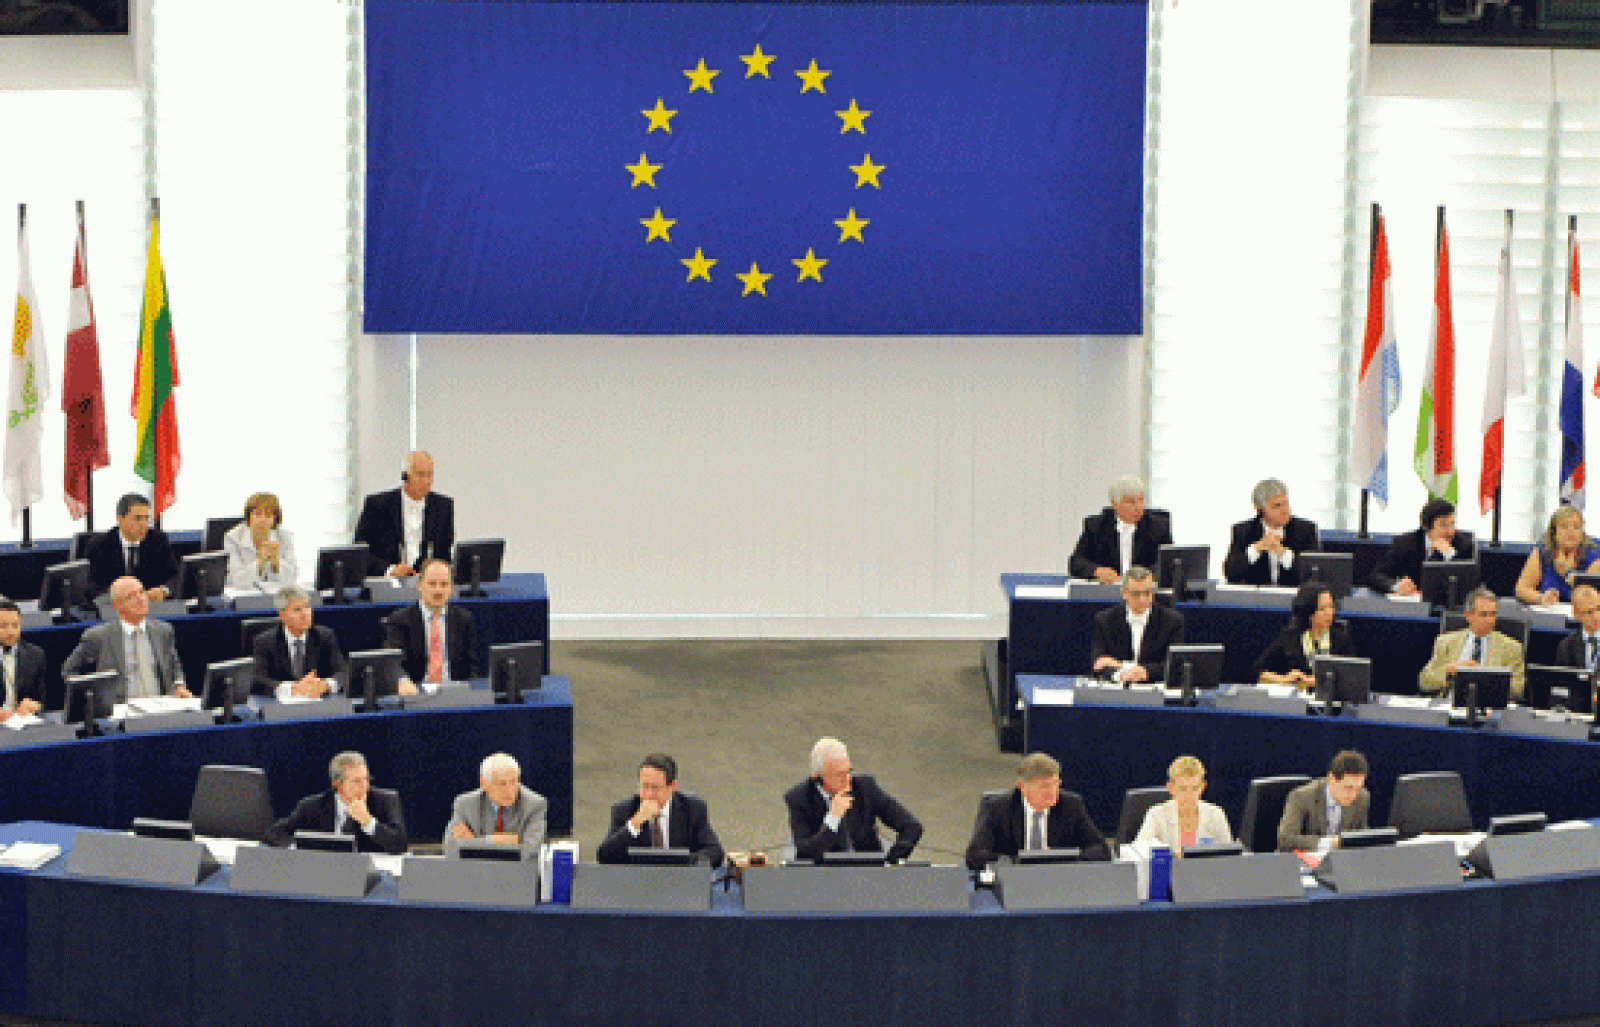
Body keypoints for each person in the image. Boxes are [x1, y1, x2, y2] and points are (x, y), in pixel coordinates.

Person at [785, 736, 922, 863]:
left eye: (848, 771)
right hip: (824, 877)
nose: (847, 779)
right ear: (817, 777)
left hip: (867, 874)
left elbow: (912, 826)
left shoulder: (865, 788)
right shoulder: (799, 798)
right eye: (839, 775)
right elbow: (806, 853)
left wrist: (891, 863)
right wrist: (833, 818)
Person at [964, 752, 1109, 871]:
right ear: (1023, 787)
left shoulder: (1071, 805)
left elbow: (1100, 849)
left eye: (1056, 784)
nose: (1053, 792)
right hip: (1015, 880)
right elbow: (975, 854)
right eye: (1045, 786)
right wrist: (1013, 862)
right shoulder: (998, 808)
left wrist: (1067, 860)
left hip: (1058, 878)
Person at [61, 575, 189, 700]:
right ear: (117, 605)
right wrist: (93, 699)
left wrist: (179, 685)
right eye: (131, 596)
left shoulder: (163, 630)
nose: (140, 599)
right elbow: (69, 671)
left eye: (142, 592)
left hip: (161, 705)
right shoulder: (97, 636)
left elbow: (174, 665)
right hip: (119, 710)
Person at [264, 751, 408, 854]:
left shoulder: (384, 801)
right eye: (356, 781)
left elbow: (400, 845)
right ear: (338, 784)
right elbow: (274, 832)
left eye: (366, 779)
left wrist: (367, 821)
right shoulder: (312, 806)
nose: (364, 786)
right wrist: (298, 850)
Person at [596, 752, 724, 866]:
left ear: (672, 786)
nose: (649, 794)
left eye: (655, 787)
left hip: (679, 882)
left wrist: (683, 864)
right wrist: (634, 824)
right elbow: (604, 856)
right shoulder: (624, 809)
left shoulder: (692, 808)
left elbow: (715, 852)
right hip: (637, 883)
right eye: (644, 786)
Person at [383, 558, 479, 695]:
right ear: (420, 585)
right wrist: (403, 681)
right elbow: (395, 664)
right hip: (417, 693)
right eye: (432, 584)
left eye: (444, 584)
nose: (438, 590)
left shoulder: (463, 619)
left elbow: (470, 666)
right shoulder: (400, 620)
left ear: (451, 588)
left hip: (454, 693)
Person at [353, 450, 455, 578]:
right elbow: (359, 551)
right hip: (387, 585)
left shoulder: (443, 507)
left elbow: (444, 554)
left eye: (430, 474)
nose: (427, 481)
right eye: (420, 475)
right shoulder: (377, 505)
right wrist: (390, 570)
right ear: (404, 476)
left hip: (428, 584)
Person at [1417, 585, 1526, 700]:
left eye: (1493, 614)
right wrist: (1448, 672)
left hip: (1489, 706)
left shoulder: (1512, 647)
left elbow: (1518, 689)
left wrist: (1486, 680)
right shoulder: (1445, 642)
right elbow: (1424, 682)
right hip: (1449, 704)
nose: (1490, 620)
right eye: (1483, 614)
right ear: (1469, 616)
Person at [1069, 475, 1173, 583]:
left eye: (1141, 500)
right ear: (1114, 503)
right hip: (1108, 591)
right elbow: (1076, 562)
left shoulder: (1158, 527)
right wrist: (1097, 571)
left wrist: (1144, 576)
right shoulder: (1096, 526)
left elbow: (1169, 563)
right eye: (1131, 502)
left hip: (1144, 591)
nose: (1138, 507)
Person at [1090, 566, 1185, 683]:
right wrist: (1122, 675)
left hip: (1154, 688)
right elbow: (1098, 664)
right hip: (1117, 689)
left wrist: (1139, 670)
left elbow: (1175, 666)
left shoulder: (1172, 621)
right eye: (1136, 594)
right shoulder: (1105, 620)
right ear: (1124, 593)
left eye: (1147, 593)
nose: (1142, 600)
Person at [1250, 583, 1357, 686]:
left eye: (1331, 606)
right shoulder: (1290, 637)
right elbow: (1257, 672)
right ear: (1309, 613)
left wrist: (1309, 681)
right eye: (1322, 608)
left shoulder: (1340, 638)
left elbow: (1352, 677)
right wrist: (1283, 679)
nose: (1329, 613)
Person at [251, 586, 348, 700]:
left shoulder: (324, 636)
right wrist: (293, 688)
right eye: (297, 610)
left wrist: (325, 685)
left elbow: (343, 672)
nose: (305, 614)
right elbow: (258, 680)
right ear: (282, 615)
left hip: (317, 702)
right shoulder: (265, 642)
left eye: (307, 607)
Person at [444, 752, 547, 859]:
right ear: (483, 783)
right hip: (477, 871)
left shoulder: (534, 804)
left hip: (516, 873)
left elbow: (530, 851)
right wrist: (493, 840)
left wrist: (473, 841)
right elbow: (451, 849)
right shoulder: (465, 804)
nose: (510, 790)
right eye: (502, 784)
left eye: (514, 782)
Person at [1223, 478, 1320, 588]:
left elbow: (1313, 575)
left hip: (1295, 600)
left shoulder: (1306, 529)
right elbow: (1230, 574)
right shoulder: (1244, 531)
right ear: (1260, 509)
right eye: (1277, 506)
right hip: (1256, 600)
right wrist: (1256, 548)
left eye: (1286, 502)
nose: (1285, 510)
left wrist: (1283, 553)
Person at [1369, 498, 1475, 596]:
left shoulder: (1464, 544)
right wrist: (1398, 586)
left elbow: (1469, 585)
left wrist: (1450, 556)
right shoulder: (1406, 543)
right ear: (1427, 527)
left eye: (1452, 524)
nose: (1450, 531)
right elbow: (1377, 576)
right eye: (1444, 525)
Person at [85, 493, 179, 599]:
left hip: (150, 606)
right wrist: (115, 594)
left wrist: (163, 591)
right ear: (120, 519)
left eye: (146, 518)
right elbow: (90, 586)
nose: (144, 524)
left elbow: (175, 577)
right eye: (137, 518)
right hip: (113, 608)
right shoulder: (100, 545)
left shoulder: (158, 540)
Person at [1134, 755, 1234, 854]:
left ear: (1203, 787)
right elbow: (1139, 849)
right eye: (1183, 789)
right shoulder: (1156, 814)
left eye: (1195, 788)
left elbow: (1230, 856)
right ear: (1170, 787)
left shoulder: (1216, 814)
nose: (1189, 795)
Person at [1277, 750, 1371, 852]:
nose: (1353, 795)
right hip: (1303, 861)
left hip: (1340, 861)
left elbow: (1361, 837)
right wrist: (1330, 843)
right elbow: (1285, 839)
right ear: (1332, 778)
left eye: (1358, 788)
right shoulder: (1301, 797)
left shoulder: (1362, 797)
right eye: (1349, 788)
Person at [1514, 505, 1600, 606]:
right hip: (1551, 614)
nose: (1571, 532)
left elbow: (1588, 598)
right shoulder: (1543, 550)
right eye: (1564, 526)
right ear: (1554, 532)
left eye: (1577, 527)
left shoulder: (1594, 552)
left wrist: (1568, 573)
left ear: (1582, 532)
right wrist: (1541, 598)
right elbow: (1521, 589)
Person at [223, 491, 299, 590]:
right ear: (249, 517)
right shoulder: (232, 538)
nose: (262, 520)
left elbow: (292, 579)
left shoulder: (285, 536)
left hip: (276, 594)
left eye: (268, 515)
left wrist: (276, 563)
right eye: (258, 514)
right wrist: (260, 563)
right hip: (245, 594)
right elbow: (235, 580)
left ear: (275, 519)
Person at [0, 601, 45, 723]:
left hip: (24, 723)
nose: (11, 632)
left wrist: (37, 705)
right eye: (3, 626)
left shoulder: (36, 655)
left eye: (15, 625)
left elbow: (49, 701)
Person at [1554, 583, 1600, 671]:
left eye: (1599, 608)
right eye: (1589, 612)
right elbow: (1562, 680)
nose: (1597, 617)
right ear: (1576, 614)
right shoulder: (1566, 647)